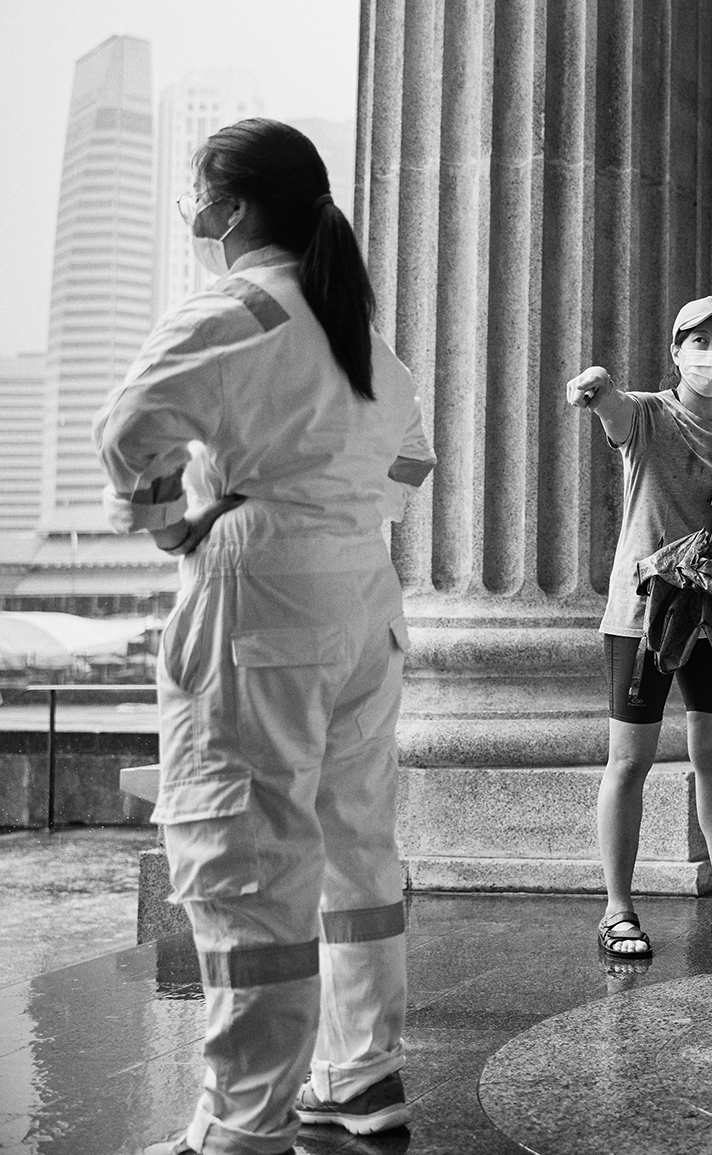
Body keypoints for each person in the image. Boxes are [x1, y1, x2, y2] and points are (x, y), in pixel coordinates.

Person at [95, 118, 434, 1153]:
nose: (192, 207)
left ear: (232, 207)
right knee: (353, 842)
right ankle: (361, 1071)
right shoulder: (358, 330)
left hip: (261, 591)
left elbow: (127, 432)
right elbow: (411, 465)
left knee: (244, 852)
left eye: (200, 189)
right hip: (360, 590)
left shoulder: (236, 307)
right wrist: (329, 501)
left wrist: (174, 520)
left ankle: (241, 1124)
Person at [566, 296, 712, 960]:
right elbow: (614, 411)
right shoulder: (651, 415)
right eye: (700, 340)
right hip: (643, 611)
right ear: (675, 349)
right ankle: (617, 909)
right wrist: (599, 385)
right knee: (629, 761)